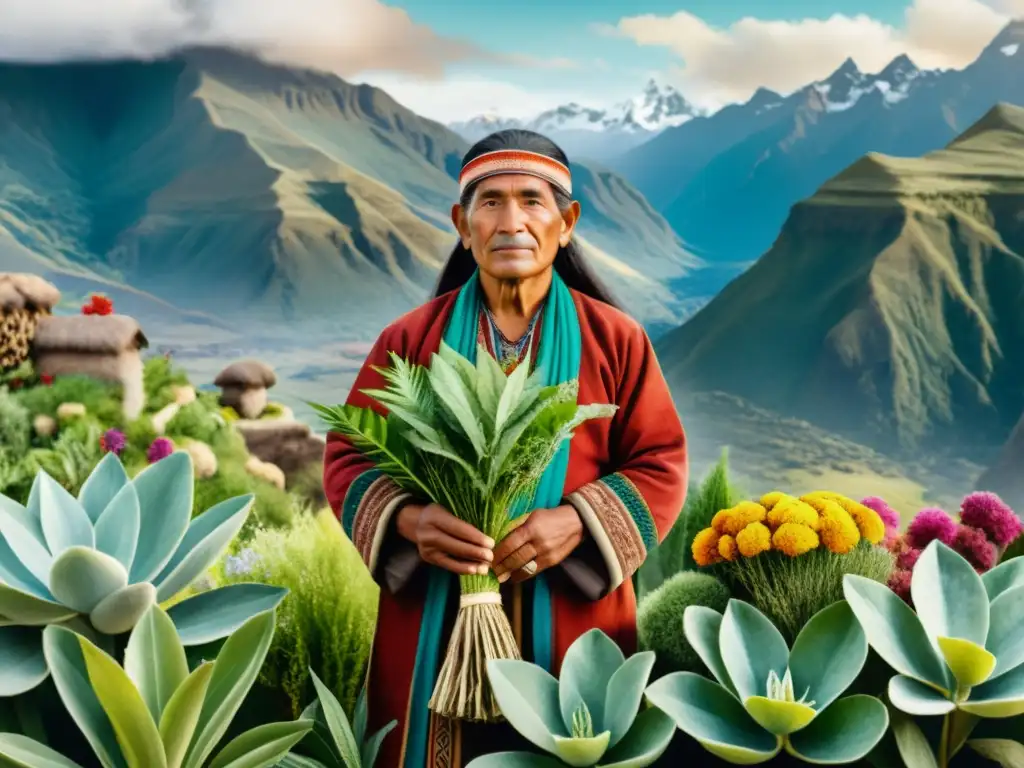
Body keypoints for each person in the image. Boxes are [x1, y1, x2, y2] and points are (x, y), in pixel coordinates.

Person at [323, 129, 688, 768]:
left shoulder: (616, 340)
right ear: (462, 224)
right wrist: (411, 521)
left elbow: (660, 461)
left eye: (532, 201)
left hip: (573, 610)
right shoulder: (409, 340)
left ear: (567, 222)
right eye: (490, 202)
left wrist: (577, 522)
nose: (511, 221)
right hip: (438, 610)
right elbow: (350, 453)